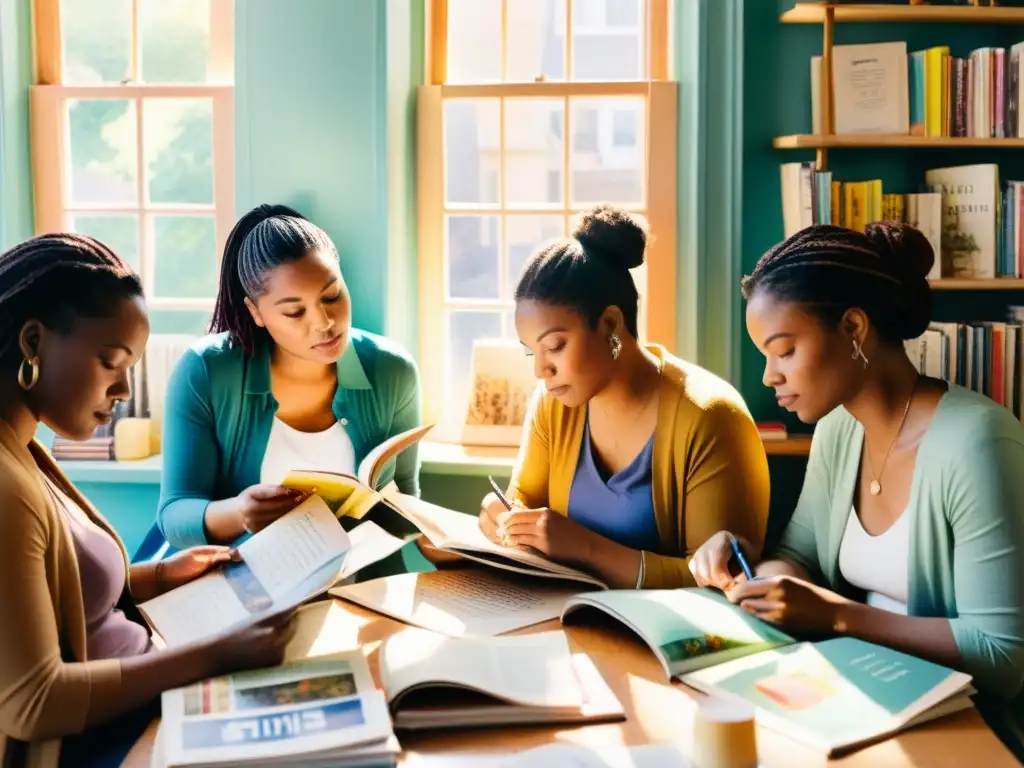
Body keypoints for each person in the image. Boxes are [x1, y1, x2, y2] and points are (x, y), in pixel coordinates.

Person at [689, 222, 1024, 758]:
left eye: (784, 351)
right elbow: (797, 559)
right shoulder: (838, 430)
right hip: (861, 698)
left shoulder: (979, 443)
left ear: (852, 327)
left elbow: (1005, 657)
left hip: (965, 731)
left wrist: (836, 616)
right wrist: (751, 575)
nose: (769, 376)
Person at [0, 233, 295, 768]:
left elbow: (55, 598)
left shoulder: (24, 447)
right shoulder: (3, 485)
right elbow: (32, 703)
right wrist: (214, 656)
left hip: (144, 705)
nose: (121, 391)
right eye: (111, 362)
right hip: (98, 745)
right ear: (32, 343)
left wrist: (157, 578)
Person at [474, 205, 771, 589]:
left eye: (556, 346)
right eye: (533, 352)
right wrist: (503, 517)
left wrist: (585, 549)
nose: (540, 370)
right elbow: (523, 501)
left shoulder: (710, 417)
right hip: (567, 622)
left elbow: (723, 582)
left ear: (611, 324)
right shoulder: (555, 404)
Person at [157, 204, 422, 550]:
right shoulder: (206, 369)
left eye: (332, 295)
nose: (324, 322)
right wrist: (238, 512)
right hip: (244, 590)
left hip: (357, 589)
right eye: (295, 311)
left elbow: (404, 498)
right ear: (256, 312)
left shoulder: (392, 370)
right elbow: (174, 515)